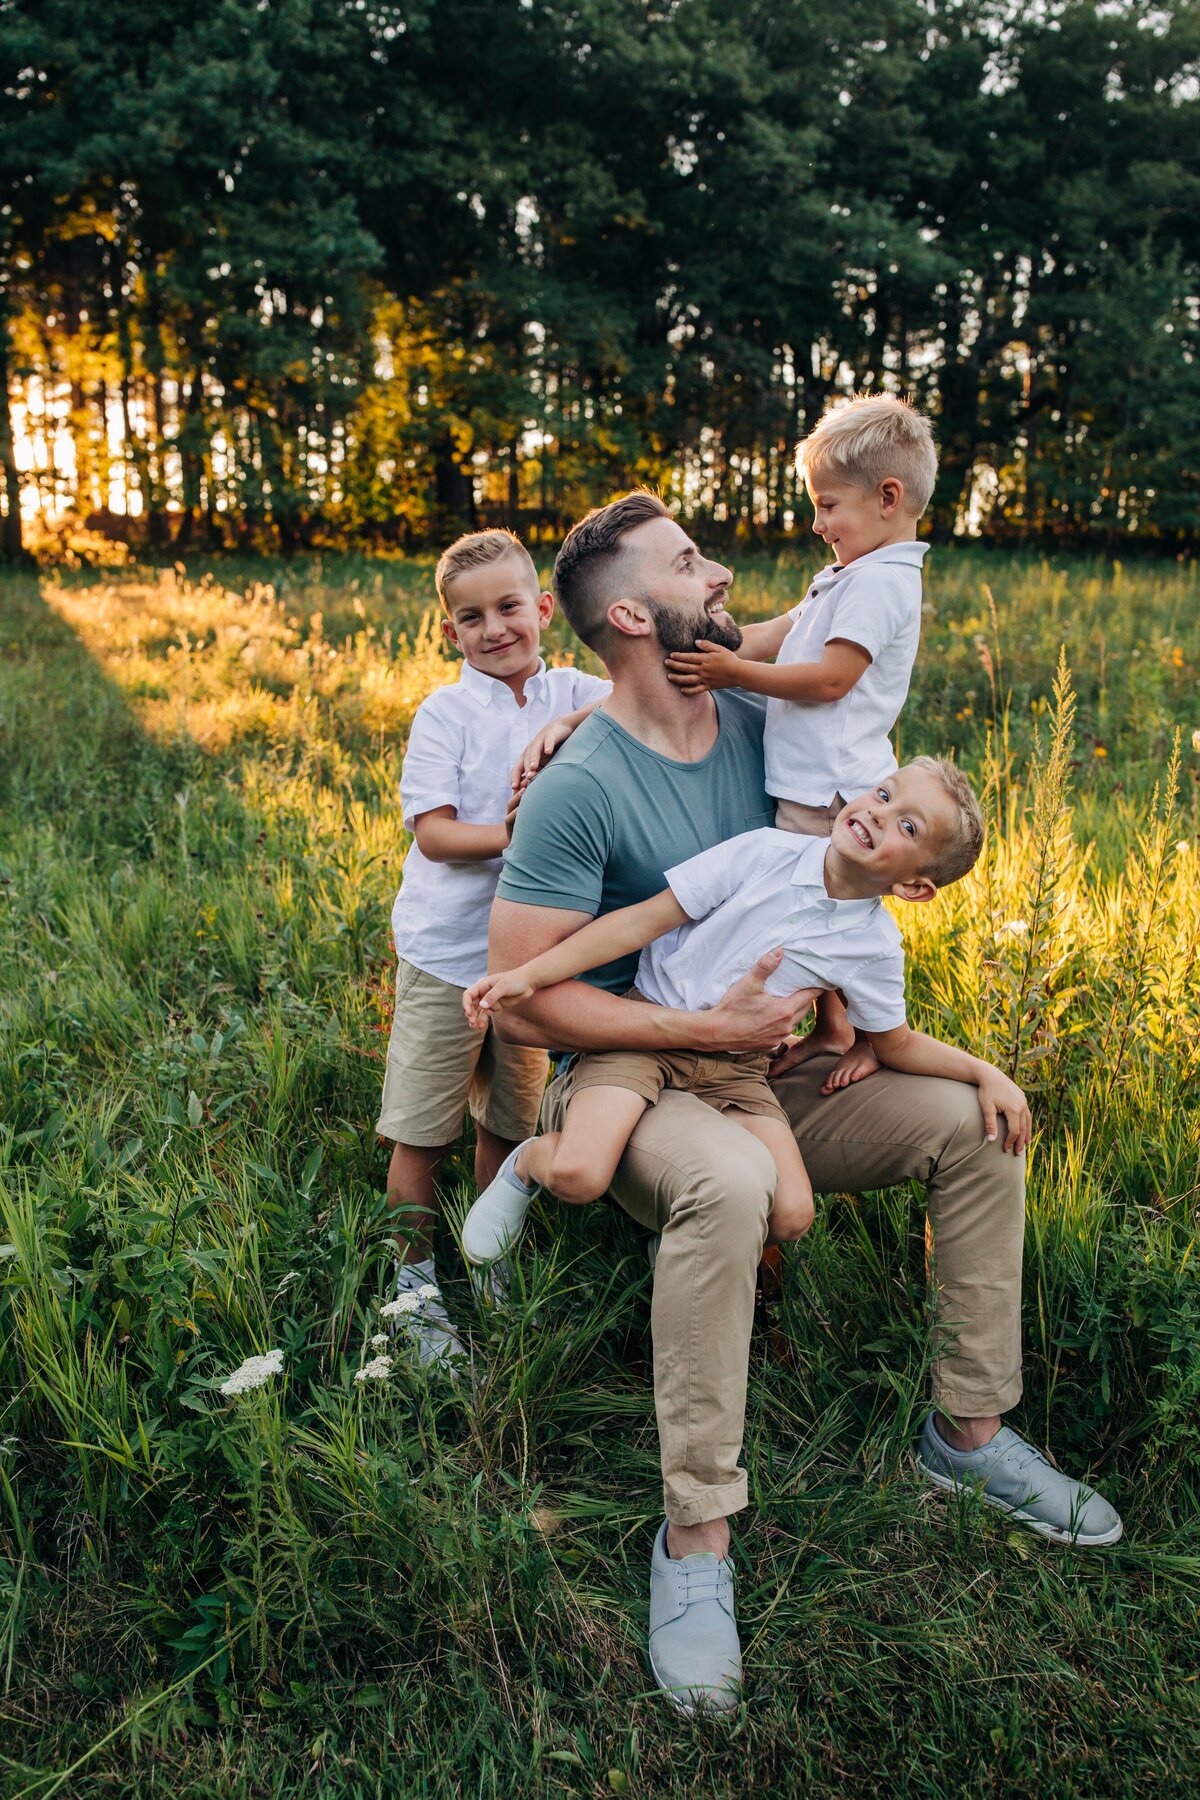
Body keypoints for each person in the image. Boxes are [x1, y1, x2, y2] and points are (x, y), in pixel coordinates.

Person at [486, 490, 1124, 1716]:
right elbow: (523, 1002)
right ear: (631, 613)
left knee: (975, 1129)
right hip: (637, 1073)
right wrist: (701, 1027)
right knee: (725, 1186)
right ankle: (695, 1538)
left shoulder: (766, 721)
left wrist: (936, 1053)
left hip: (776, 1070)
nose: (721, 575)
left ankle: (971, 1437)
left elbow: (874, 752)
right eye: (690, 563)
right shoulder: (577, 781)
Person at [462, 761, 1031, 1277]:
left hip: (737, 1071)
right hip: (643, 1032)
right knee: (579, 1176)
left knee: (791, 1214)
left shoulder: (873, 946)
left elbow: (896, 1043)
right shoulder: (764, 853)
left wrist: (984, 1071)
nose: (879, 814)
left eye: (908, 827)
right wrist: (529, 975)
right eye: (884, 794)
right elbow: (640, 922)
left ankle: (684, 1239)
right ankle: (530, 1162)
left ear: (912, 886)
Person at [376, 527, 609, 1364]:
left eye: (510, 606)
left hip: (529, 960)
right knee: (422, 1133)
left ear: (543, 609)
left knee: (507, 1126)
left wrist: (575, 719)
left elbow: (635, 696)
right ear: (451, 633)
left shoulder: (574, 689)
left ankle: (489, 1263)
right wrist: (518, 833)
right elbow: (435, 834)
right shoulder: (445, 712)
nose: (494, 628)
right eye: (470, 618)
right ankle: (414, 1287)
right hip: (447, 954)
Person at [664, 393, 936, 1087]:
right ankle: (837, 1026)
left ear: (887, 497)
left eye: (827, 505)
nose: (818, 524)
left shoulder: (883, 583)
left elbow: (832, 678)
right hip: (813, 780)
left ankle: (866, 1033)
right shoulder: (849, 573)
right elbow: (782, 633)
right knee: (821, 906)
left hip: (833, 788)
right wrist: (712, 645)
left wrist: (731, 673)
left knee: (821, 911)